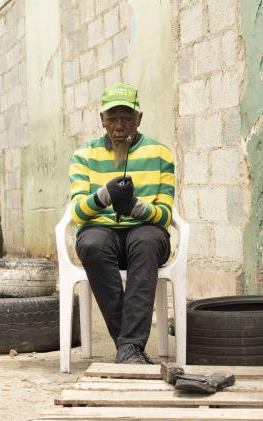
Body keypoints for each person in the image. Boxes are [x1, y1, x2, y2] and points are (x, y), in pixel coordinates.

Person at [68, 83, 176, 364]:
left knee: (147, 240)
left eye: (126, 118)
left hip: (146, 232)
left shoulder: (160, 154)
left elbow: (165, 215)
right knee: (91, 243)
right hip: (102, 232)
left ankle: (127, 347)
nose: (119, 126)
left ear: (139, 119)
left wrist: (135, 207)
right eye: (112, 118)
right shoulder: (84, 155)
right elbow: (78, 214)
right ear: (101, 119)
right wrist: (104, 196)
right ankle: (130, 348)